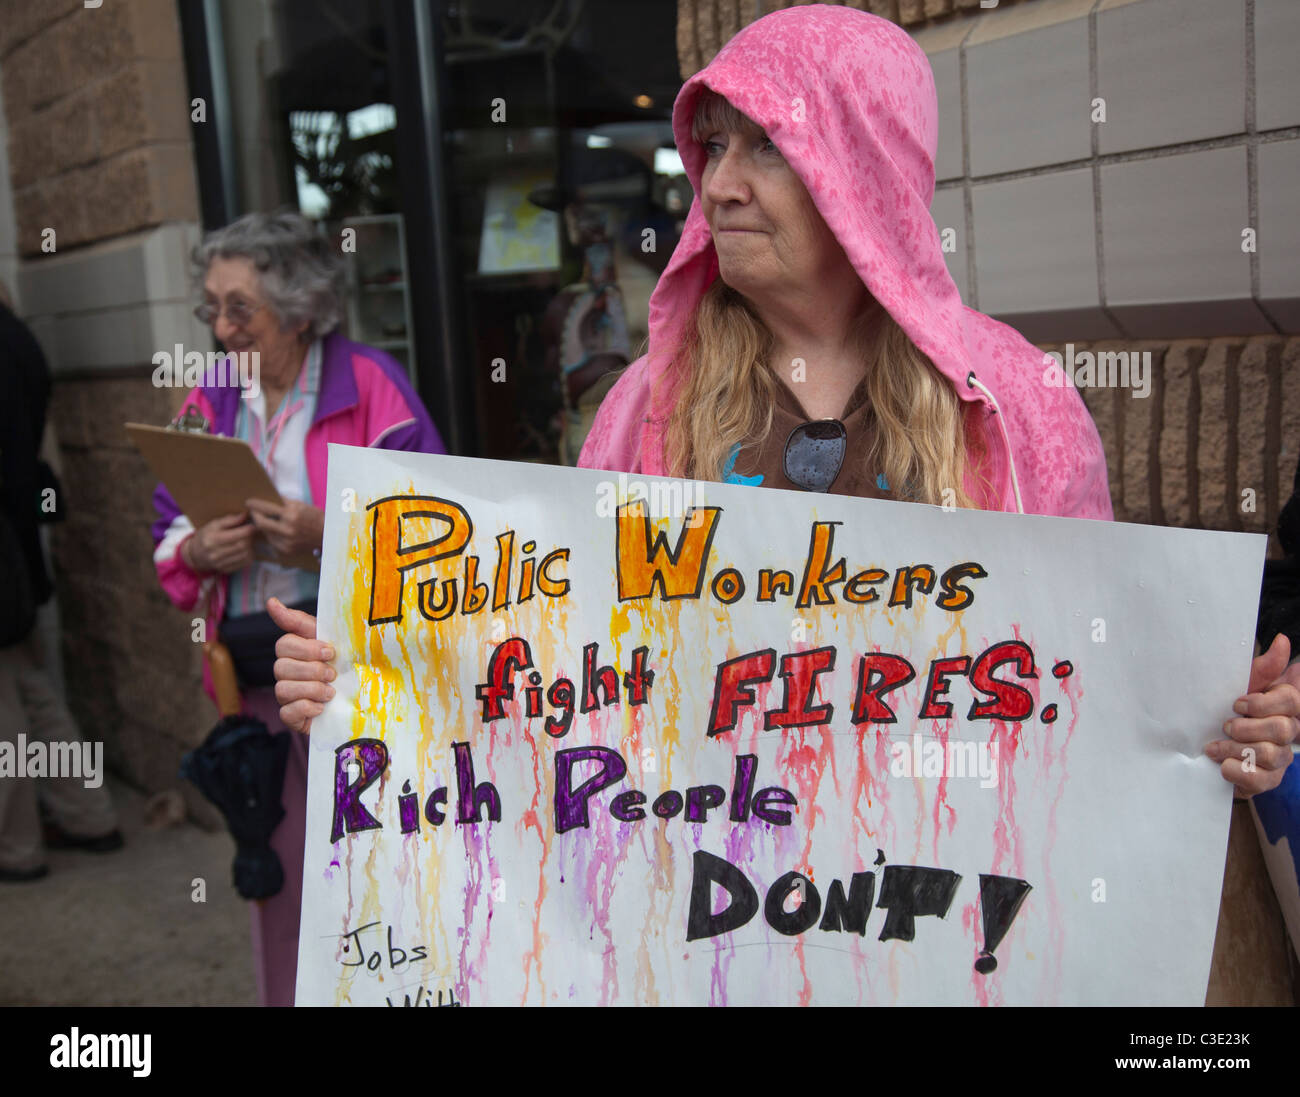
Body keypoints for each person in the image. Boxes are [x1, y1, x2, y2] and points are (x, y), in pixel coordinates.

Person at [273, 7, 1297, 802]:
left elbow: (1096, 675)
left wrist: (1218, 738)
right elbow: (552, 659)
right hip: (709, 901)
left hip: (946, 899)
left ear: (860, 168)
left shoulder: (1013, 399)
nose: (716, 185)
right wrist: (372, 676)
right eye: (710, 146)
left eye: (764, 146)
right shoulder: (645, 408)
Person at [151, 210, 444, 1005]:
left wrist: (325, 536)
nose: (220, 327)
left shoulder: (372, 385)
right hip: (251, 684)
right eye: (210, 308)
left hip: (356, 684)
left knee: (373, 873)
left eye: (238, 307)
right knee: (280, 881)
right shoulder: (208, 397)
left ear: (301, 303)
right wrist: (195, 549)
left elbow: (439, 530)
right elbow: (163, 524)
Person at [0, 288, 122, 882]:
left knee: (11, 707)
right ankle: (86, 812)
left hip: (8, 555)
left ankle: (19, 847)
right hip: (16, 554)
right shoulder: (17, 335)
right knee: (33, 692)